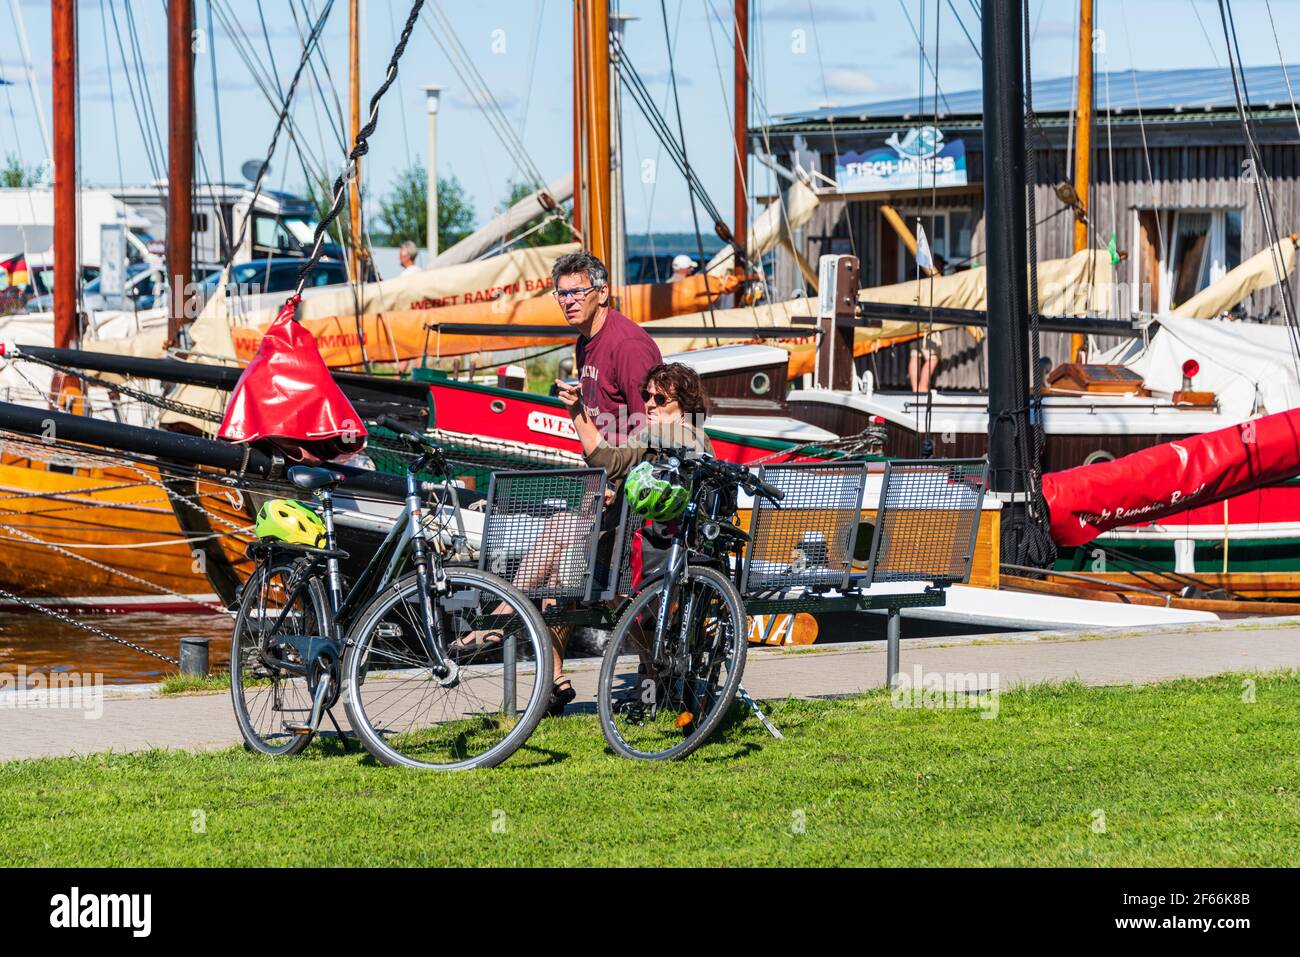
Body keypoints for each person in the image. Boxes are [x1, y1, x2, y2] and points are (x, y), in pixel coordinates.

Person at [537, 362, 712, 714]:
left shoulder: (685, 437)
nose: (649, 403)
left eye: (660, 398)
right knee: (562, 573)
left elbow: (608, 459)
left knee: (574, 581)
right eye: (646, 396)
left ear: (685, 406)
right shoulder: (661, 439)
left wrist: (579, 412)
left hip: (656, 567)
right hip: (642, 565)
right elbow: (615, 464)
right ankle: (555, 678)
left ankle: (540, 669)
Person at [551, 250, 661, 443]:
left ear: (602, 293)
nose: (568, 301)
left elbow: (649, 429)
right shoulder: (584, 340)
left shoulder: (628, 347)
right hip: (603, 463)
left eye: (577, 292)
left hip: (628, 466)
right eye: (562, 294)